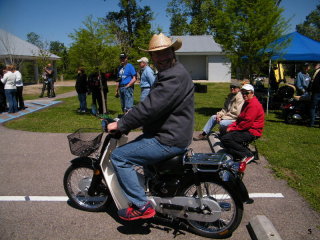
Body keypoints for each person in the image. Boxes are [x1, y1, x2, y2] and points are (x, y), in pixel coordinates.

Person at [107, 33, 194, 221]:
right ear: (152, 57)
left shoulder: (173, 76)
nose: (161, 57)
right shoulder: (171, 72)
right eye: (156, 54)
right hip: (168, 133)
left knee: (119, 157)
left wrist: (121, 124)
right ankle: (154, 191)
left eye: (164, 52)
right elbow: (155, 104)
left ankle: (141, 205)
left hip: (168, 138)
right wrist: (131, 117)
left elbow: (151, 108)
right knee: (139, 151)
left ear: (172, 51)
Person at [220, 84, 264, 164]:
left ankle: (247, 154)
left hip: (252, 131)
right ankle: (234, 152)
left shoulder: (253, 105)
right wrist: (231, 126)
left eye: (246, 93)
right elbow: (240, 118)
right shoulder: (247, 102)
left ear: (252, 93)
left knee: (226, 139)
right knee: (223, 129)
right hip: (245, 128)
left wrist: (232, 129)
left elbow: (247, 123)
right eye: (243, 92)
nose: (244, 95)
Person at [309, 63, 320, 127]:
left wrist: (311, 90)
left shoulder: (317, 72)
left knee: (313, 108)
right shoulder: (316, 72)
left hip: (316, 92)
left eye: (315, 65)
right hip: (316, 92)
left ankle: (311, 123)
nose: (314, 66)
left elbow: (314, 83)